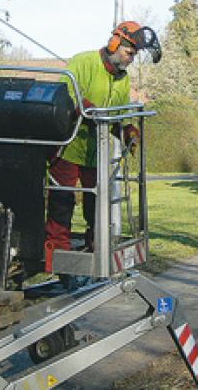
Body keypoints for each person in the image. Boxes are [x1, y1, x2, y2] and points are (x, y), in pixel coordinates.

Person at [45, 21, 162, 270]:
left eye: (133, 55)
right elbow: (63, 93)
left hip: (95, 152)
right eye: (128, 53)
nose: (130, 59)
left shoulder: (122, 79)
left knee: (97, 202)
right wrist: (83, 106)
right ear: (114, 44)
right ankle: (56, 251)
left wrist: (126, 130)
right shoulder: (83, 62)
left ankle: (96, 246)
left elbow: (116, 116)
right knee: (62, 201)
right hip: (67, 146)